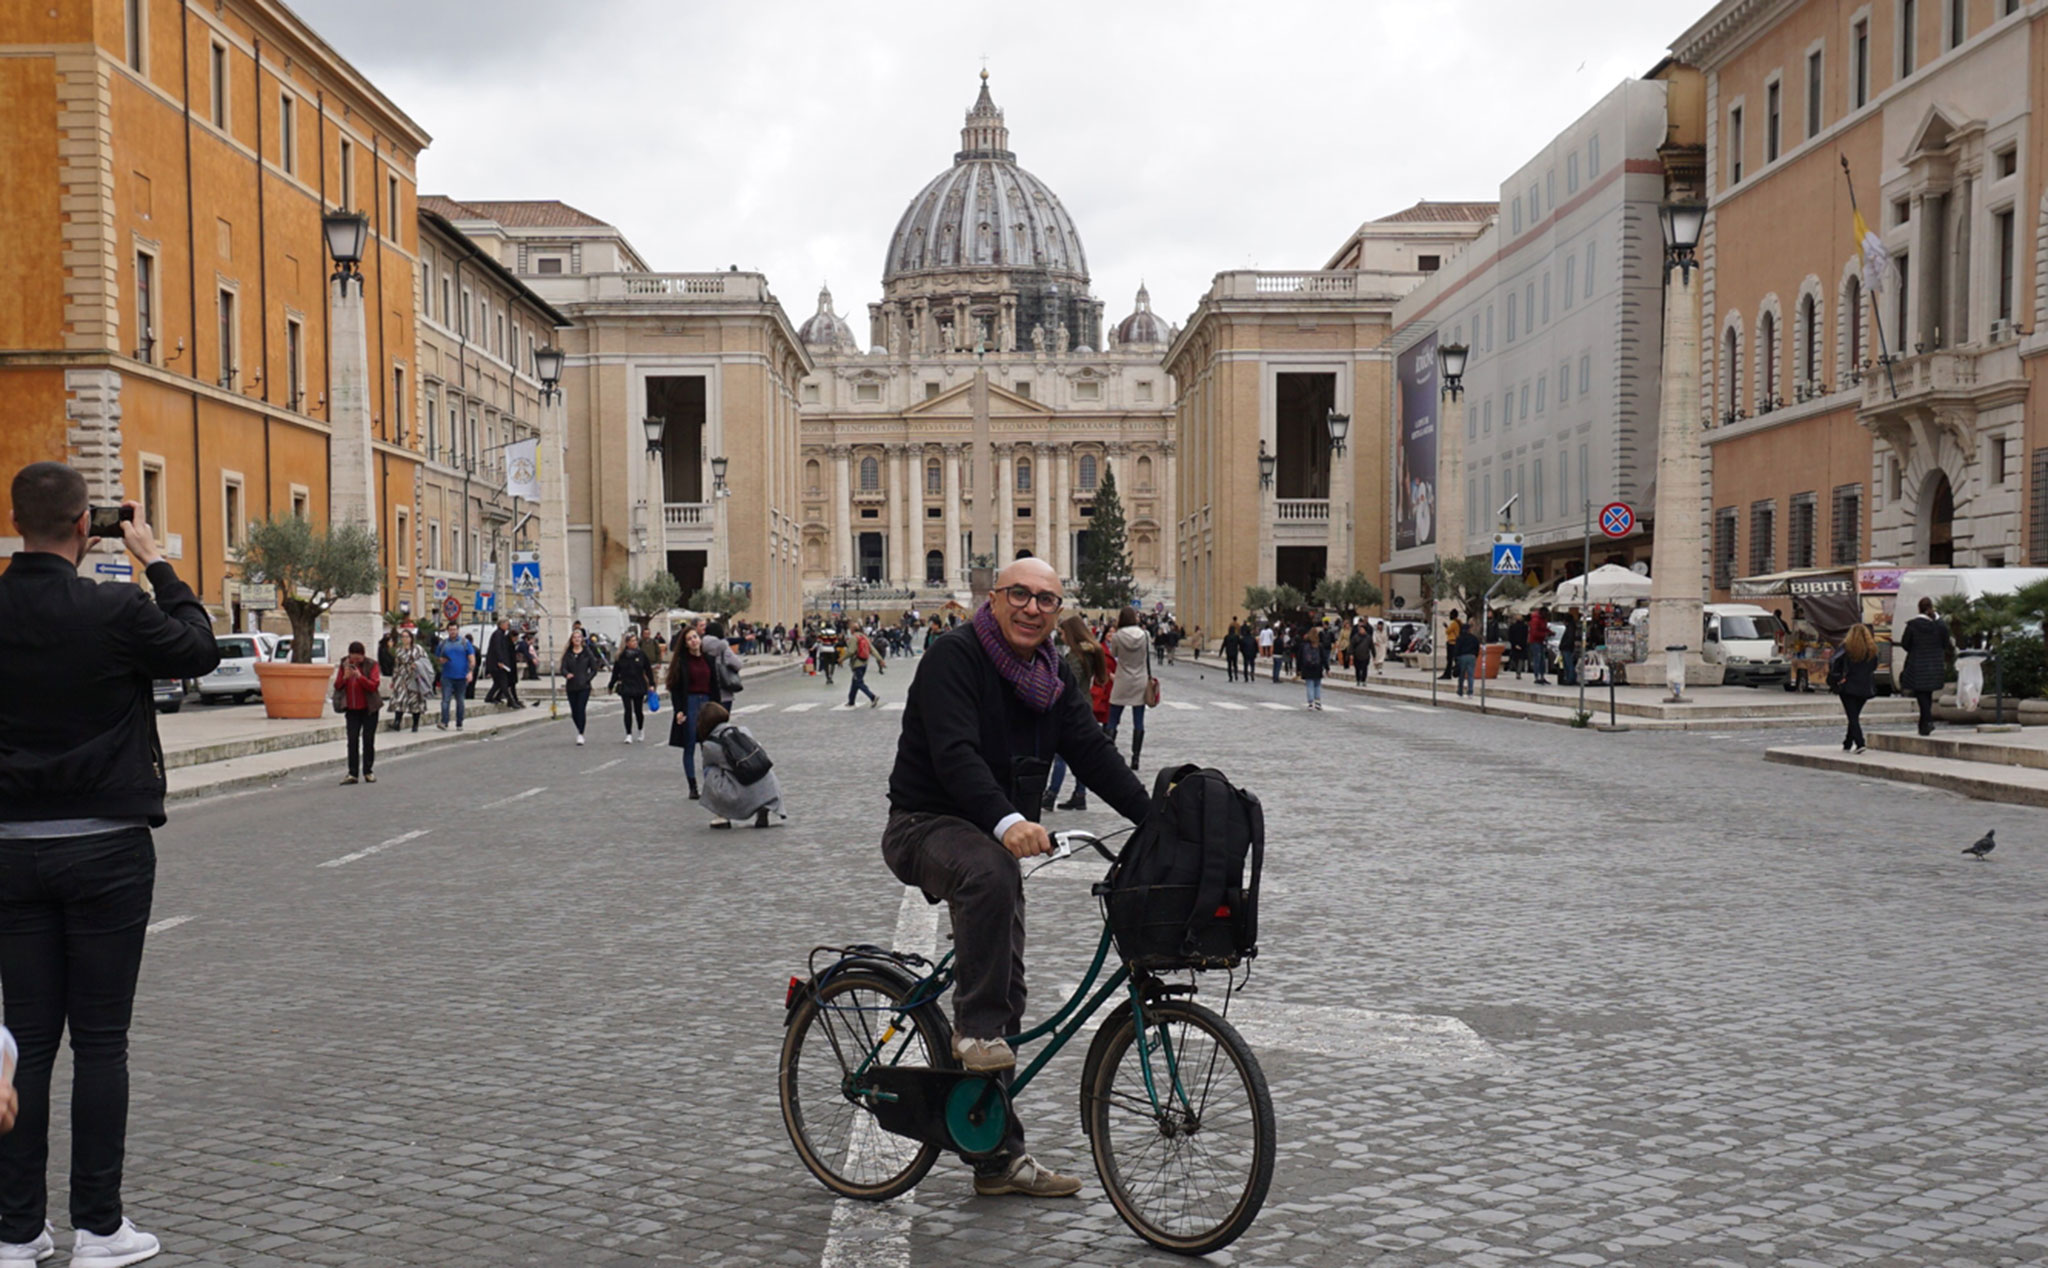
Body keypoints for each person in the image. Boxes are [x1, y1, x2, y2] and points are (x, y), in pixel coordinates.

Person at [0, 462, 221, 1266]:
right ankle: (98, 1227)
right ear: (83, 525)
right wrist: (154, 559)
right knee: (100, 1042)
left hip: (10, 849)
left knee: (23, 1043)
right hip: (105, 845)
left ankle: (15, 1231)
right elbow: (199, 649)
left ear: (16, 524)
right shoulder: (115, 608)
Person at [880, 558, 1149, 1198]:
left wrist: (1157, 819)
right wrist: (1006, 821)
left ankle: (996, 1159)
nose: (1032, 608)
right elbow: (954, 754)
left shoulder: (1051, 677)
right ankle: (972, 1030)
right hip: (925, 823)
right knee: (989, 881)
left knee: (1010, 990)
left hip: (995, 840)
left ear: (1058, 611)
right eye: (1020, 595)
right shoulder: (954, 657)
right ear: (995, 599)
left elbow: (1094, 754)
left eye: (1046, 599)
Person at [1044, 613, 1111, 812]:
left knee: (1061, 756)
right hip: (1085, 704)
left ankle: (1051, 794)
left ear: (1071, 633)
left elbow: (1068, 683)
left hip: (1072, 708)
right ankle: (1079, 795)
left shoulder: (1075, 656)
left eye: (1063, 633)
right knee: (1079, 755)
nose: (1061, 636)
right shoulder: (1089, 652)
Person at [695, 701, 787, 829]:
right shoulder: (743, 730)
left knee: (710, 770)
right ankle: (763, 807)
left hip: (744, 789)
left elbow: (708, 767)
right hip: (767, 785)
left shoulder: (709, 746)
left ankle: (722, 815)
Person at [665, 628, 718, 799]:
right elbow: (675, 688)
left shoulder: (709, 659)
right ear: (685, 644)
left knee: (708, 747)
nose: (693, 641)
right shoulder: (682, 662)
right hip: (690, 703)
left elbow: (715, 685)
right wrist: (679, 710)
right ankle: (692, 786)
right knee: (689, 745)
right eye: (689, 639)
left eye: (695, 637)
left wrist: (718, 709)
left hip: (707, 703)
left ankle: (710, 784)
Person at [1898, 595, 1953, 737]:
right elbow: (1946, 643)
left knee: (1921, 694)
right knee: (1927, 694)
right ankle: (1923, 725)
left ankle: (1927, 721)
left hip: (1917, 664)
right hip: (1934, 664)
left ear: (1919, 608)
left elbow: (1905, 644)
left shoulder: (1913, 625)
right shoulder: (1939, 626)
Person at [1106, 608, 1151, 770]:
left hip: (1122, 679)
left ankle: (1108, 754)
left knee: (1113, 719)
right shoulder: (1144, 635)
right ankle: (1136, 758)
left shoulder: (1118, 636)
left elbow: (1114, 653)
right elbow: (1147, 655)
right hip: (1140, 679)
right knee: (1138, 721)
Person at [334, 641, 382, 785]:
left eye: (358, 659)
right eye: (352, 659)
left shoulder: (371, 665)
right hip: (352, 709)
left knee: (368, 740)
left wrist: (360, 677)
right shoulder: (344, 664)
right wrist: (345, 677)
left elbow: (373, 685)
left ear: (363, 656)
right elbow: (337, 686)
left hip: (369, 708)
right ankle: (352, 773)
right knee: (352, 740)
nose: (354, 662)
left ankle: (368, 771)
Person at [1830, 623, 1880, 753]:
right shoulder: (1872, 650)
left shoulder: (1846, 649)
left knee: (1852, 717)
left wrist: (1838, 678)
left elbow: (1834, 663)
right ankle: (1847, 742)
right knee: (1854, 715)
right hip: (1865, 686)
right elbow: (1874, 667)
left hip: (1848, 686)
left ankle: (1860, 742)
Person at [559, 628, 602, 746]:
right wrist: (566, 674)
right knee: (574, 711)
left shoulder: (587, 652)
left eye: (579, 637)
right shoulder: (568, 654)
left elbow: (594, 669)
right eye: (575, 637)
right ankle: (579, 727)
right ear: (571, 640)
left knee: (580, 709)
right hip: (571, 685)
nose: (577, 639)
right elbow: (562, 668)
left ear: (582, 639)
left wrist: (587, 678)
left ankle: (581, 733)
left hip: (584, 686)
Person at [608, 632, 653, 743]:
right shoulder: (621, 656)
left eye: (636, 640)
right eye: (632, 641)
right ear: (627, 643)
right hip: (626, 685)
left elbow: (648, 670)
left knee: (638, 710)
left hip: (638, 684)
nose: (635, 642)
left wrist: (651, 684)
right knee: (627, 710)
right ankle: (628, 734)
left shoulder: (641, 654)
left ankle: (640, 730)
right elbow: (615, 672)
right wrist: (611, 685)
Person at [386, 629, 433, 733]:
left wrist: (416, 664)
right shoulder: (399, 650)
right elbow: (396, 666)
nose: (405, 639)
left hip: (414, 677)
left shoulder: (418, 649)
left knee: (415, 700)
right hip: (401, 677)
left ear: (411, 638)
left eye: (407, 636)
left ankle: (415, 724)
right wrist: (394, 679)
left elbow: (425, 661)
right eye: (403, 636)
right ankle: (397, 723)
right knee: (399, 699)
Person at [436, 629, 476, 730]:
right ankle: (444, 722)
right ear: (448, 631)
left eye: (454, 629)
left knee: (460, 701)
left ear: (457, 630)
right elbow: (437, 657)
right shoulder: (443, 644)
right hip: (447, 676)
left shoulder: (465, 643)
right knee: (445, 700)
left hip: (461, 677)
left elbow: (472, 659)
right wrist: (441, 660)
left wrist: (470, 672)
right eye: (451, 630)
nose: (452, 631)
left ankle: (459, 723)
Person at [485, 617, 522, 708]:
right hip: (497, 664)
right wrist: (500, 661)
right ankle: (511, 701)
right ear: (501, 624)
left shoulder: (501, 634)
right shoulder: (498, 634)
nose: (508, 626)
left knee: (498, 683)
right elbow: (498, 649)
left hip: (497, 663)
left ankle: (489, 697)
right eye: (507, 624)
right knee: (503, 683)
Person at [845, 625, 884, 708]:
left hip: (857, 664)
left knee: (858, 682)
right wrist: (880, 659)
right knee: (855, 682)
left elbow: (851, 652)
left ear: (853, 630)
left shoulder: (854, 638)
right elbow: (872, 650)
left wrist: (841, 659)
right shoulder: (865, 637)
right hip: (864, 663)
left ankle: (872, 697)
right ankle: (851, 701)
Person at [1297, 632, 1326, 708]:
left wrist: (1298, 669)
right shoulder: (1319, 646)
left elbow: (1299, 658)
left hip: (1307, 668)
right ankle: (1318, 702)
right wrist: (1327, 668)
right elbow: (1323, 658)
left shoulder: (1303, 646)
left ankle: (1310, 702)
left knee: (1309, 685)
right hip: (1318, 668)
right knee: (1317, 685)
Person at [1454, 621, 1480, 697]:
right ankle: (1470, 691)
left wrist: (1456, 658)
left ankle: (1460, 690)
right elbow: (1477, 648)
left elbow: (1457, 649)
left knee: (1461, 675)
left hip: (1462, 657)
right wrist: (1475, 655)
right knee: (1470, 675)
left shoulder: (1460, 638)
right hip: (1472, 656)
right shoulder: (1474, 638)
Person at [1527, 607, 1552, 685]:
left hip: (1541, 641)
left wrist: (1550, 632)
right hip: (1535, 641)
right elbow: (1534, 633)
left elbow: (1544, 629)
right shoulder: (1535, 620)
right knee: (1537, 658)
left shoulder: (1543, 620)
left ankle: (1542, 676)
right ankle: (1537, 676)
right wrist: (1545, 634)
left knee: (1542, 659)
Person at [1349, 621, 1373, 686]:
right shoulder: (1355, 637)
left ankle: (1363, 680)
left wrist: (1374, 655)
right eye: (1360, 629)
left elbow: (1371, 646)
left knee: (1364, 668)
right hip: (1357, 655)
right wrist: (1351, 654)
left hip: (1365, 655)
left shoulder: (1368, 638)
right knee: (1357, 669)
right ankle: (1358, 680)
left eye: (1362, 629)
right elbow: (1351, 646)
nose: (1361, 631)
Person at [1236, 620, 1257, 685]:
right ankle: (1252, 673)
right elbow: (1256, 647)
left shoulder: (1243, 639)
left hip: (1245, 654)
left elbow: (1241, 647)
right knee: (1252, 664)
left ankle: (1246, 677)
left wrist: (1243, 653)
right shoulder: (1253, 639)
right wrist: (1255, 653)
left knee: (1245, 666)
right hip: (1252, 653)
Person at [1222, 618, 1241, 682]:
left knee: (1229, 665)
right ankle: (1236, 674)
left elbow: (1223, 645)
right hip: (1235, 652)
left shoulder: (1226, 637)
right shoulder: (1236, 636)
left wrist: (1220, 652)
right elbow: (1240, 643)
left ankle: (1230, 677)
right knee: (1235, 665)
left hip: (1228, 652)